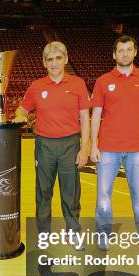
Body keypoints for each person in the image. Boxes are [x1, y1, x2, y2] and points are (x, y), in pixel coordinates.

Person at [13, 41, 91, 250]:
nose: (54, 63)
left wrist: (85, 148)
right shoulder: (36, 86)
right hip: (44, 145)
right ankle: (44, 234)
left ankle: (74, 232)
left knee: (71, 192)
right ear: (44, 63)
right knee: (43, 191)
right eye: (50, 59)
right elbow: (22, 109)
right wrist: (21, 117)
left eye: (58, 58)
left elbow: (85, 117)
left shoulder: (78, 84)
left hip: (70, 144)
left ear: (65, 59)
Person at [90, 35, 139, 253]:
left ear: (135, 52)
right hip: (108, 148)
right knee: (103, 195)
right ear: (114, 55)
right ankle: (103, 235)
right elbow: (96, 114)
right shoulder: (103, 81)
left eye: (128, 49)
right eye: (120, 50)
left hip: (137, 148)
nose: (125, 54)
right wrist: (94, 144)